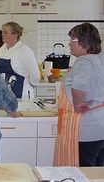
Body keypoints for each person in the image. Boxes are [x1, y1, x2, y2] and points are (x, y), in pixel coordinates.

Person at [54, 23, 104, 167]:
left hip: (86, 129)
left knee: (84, 173)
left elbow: (80, 85)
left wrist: (77, 104)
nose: (69, 44)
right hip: (100, 126)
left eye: (72, 40)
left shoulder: (84, 62)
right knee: (99, 173)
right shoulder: (100, 59)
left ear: (84, 42)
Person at [0, 21, 39, 98]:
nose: (2, 34)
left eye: (5, 32)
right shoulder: (2, 48)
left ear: (15, 35)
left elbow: (35, 75)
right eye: (3, 32)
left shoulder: (24, 50)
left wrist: (30, 85)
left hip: (21, 93)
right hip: (5, 92)